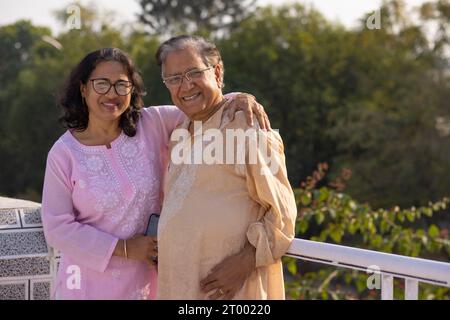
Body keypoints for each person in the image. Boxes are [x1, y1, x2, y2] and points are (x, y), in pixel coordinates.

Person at [41, 47, 270, 300]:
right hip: (85, 286)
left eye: (121, 85)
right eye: (102, 84)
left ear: (132, 90)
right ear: (83, 89)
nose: (112, 93)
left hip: (148, 283)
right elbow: (57, 228)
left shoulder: (153, 123)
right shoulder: (64, 153)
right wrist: (125, 248)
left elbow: (205, 106)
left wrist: (239, 97)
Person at [155, 35, 298, 300]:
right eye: (174, 79)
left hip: (232, 290)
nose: (185, 86)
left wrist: (245, 261)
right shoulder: (180, 132)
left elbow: (283, 214)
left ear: (217, 72)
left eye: (194, 72)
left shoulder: (246, 124)